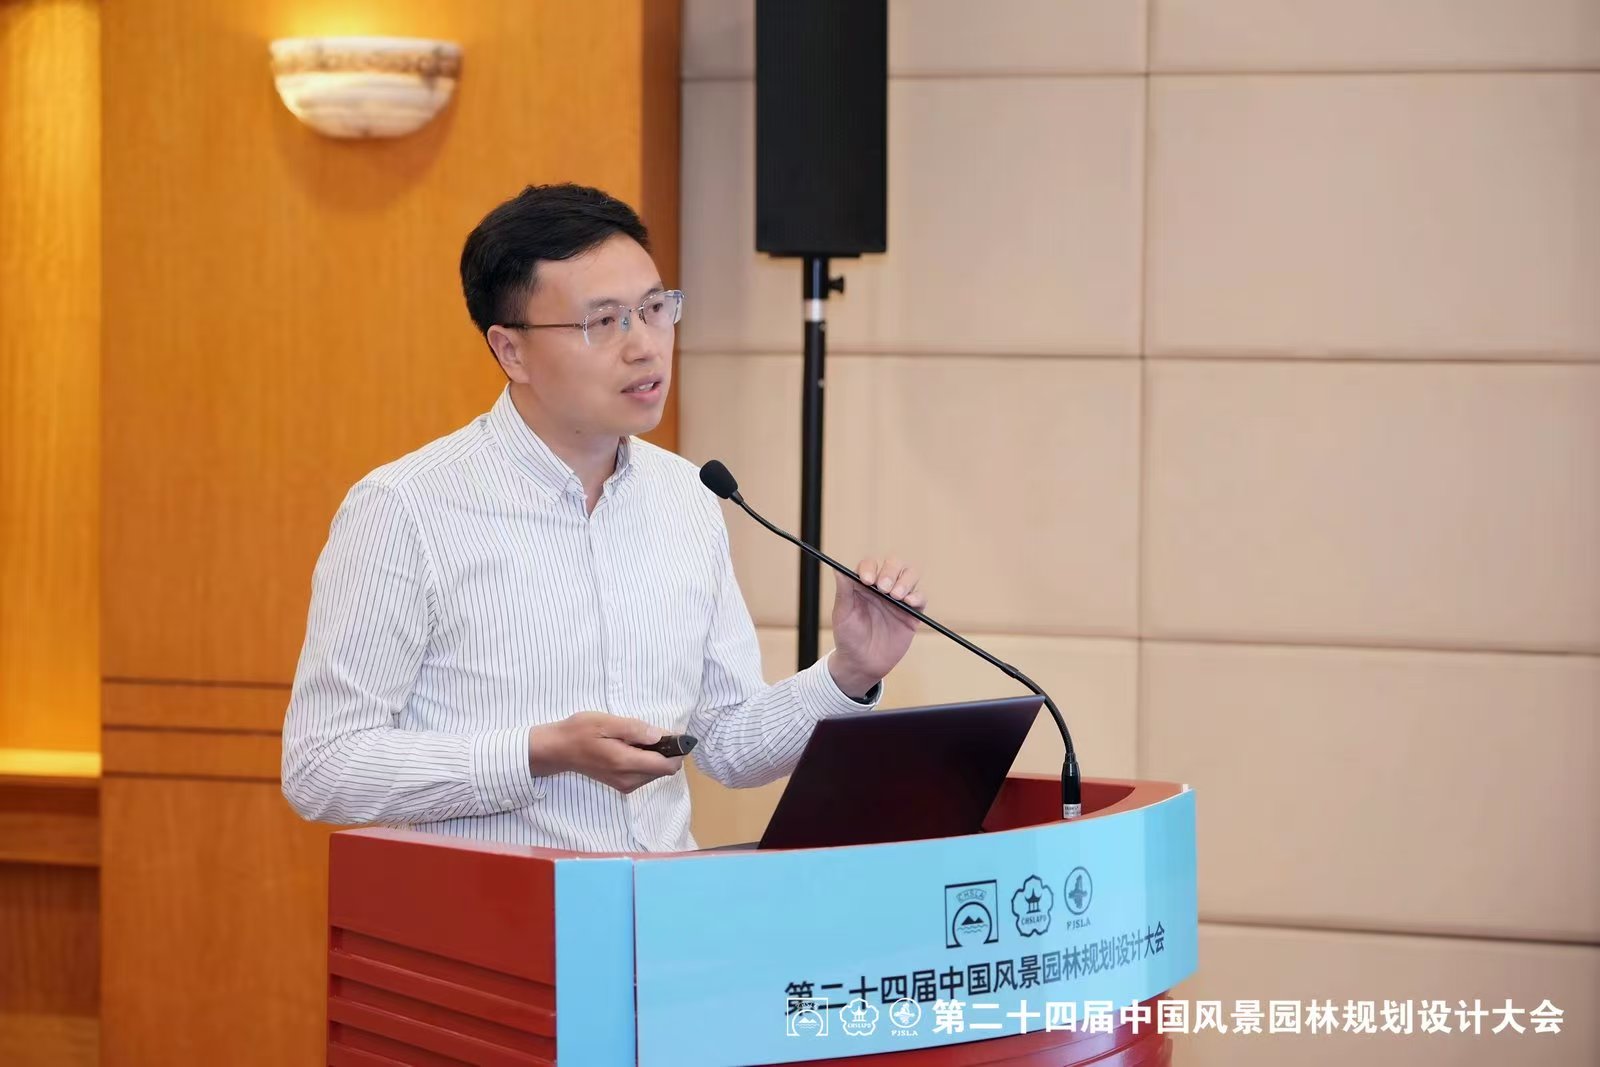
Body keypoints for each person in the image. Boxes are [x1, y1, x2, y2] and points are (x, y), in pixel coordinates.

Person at [280, 183, 926, 852]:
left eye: (654, 309)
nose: (644, 345)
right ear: (511, 351)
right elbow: (322, 767)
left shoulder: (687, 495)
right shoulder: (405, 509)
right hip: (496, 908)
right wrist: (538, 753)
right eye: (604, 321)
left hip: (664, 905)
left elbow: (728, 742)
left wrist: (850, 671)